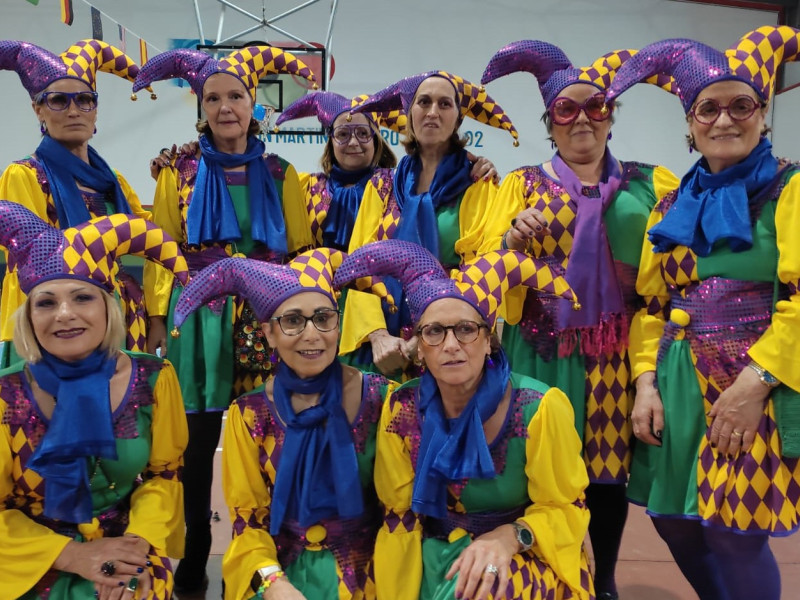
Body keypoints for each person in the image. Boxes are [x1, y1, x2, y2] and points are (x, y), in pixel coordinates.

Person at [604, 25, 800, 600]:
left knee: (737, 532)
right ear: (689, 123)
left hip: (753, 382)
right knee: (673, 520)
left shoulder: (791, 189)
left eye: (741, 105)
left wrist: (756, 382)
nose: (723, 120)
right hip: (676, 381)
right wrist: (645, 383)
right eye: (707, 108)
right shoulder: (669, 205)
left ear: (763, 115)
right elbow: (651, 305)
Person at [479, 41, 680, 600]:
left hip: (617, 355)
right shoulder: (519, 184)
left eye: (596, 106)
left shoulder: (651, 183)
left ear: (611, 114)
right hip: (537, 347)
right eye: (566, 110)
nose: (582, 120)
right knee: (534, 467)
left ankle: (605, 577)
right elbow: (484, 265)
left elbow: (676, 264)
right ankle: (543, 573)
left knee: (606, 473)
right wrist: (508, 240)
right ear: (550, 122)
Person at [131, 45, 318, 593]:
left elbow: (302, 252)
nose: (225, 106)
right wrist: (161, 318)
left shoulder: (284, 173)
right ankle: (194, 552)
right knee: (196, 441)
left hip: (264, 314)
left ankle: (272, 543)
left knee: (268, 430)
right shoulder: (177, 172)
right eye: (213, 97)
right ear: (201, 105)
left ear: (253, 102)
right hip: (201, 316)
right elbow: (161, 247)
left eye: (235, 95)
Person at [334, 239, 591, 600]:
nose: (451, 345)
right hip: (430, 556)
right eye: (435, 332)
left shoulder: (540, 408)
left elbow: (566, 509)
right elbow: (400, 519)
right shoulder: (403, 407)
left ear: (489, 340)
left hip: (522, 556)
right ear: (420, 347)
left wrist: (510, 537)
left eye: (467, 330)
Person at [171, 248, 398, 599]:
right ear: (269, 333)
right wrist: (272, 583)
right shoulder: (249, 414)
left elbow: (400, 512)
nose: (312, 334)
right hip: (279, 572)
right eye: (293, 321)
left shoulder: (383, 399)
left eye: (324, 318)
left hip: (373, 573)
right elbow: (248, 522)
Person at [0, 201, 189, 599]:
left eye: (82, 298)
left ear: (109, 307)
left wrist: (138, 547)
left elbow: (163, 476)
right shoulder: (5, 395)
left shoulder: (153, 379)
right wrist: (71, 555)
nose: (65, 314)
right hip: (24, 561)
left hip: (129, 549)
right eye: (46, 302)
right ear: (28, 317)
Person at [339, 71, 518, 378]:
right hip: (381, 350)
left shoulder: (479, 185)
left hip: (449, 344)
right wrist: (377, 336)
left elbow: (484, 268)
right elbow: (358, 267)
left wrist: (424, 337)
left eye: (445, 104)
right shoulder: (381, 186)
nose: (433, 111)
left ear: (458, 120)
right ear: (409, 114)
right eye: (424, 102)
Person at [0, 39, 156, 364]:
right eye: (59, 100)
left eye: (85, 100)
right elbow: (36, 262)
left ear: (95, 109)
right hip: (50, 325)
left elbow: (150, 239)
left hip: (118, 318)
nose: (74, 111)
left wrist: (183, 175)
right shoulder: (24, 176)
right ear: (38, 109)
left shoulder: (114, 181)